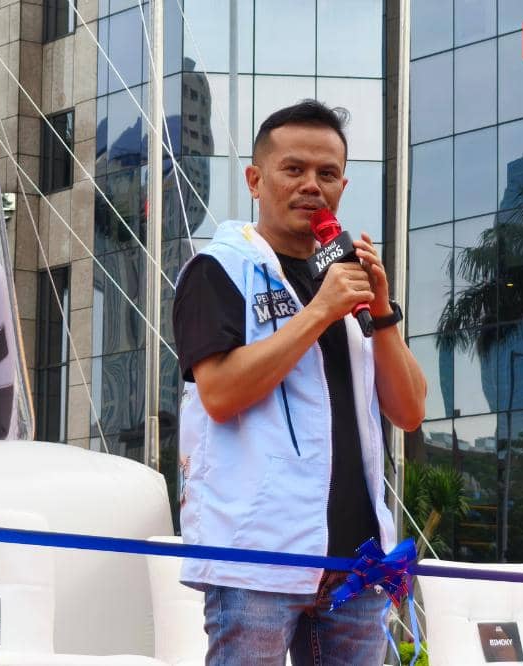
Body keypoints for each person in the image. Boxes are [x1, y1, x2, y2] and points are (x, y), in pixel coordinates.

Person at [172, 99, 427, 665]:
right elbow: (220, 395)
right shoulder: (218, 269)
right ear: (255, 180)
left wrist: (381, 312)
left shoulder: (346, 278)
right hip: (257, 558)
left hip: (356, 565)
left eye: (327, 173)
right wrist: (318, 312)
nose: (312, 185)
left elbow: (409, 411)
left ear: (342, 186)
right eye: (294, 169)